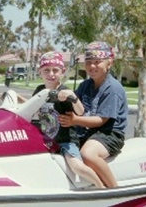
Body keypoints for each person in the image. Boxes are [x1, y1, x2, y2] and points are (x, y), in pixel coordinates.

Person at [28, 51, 105, 188]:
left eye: (55, 70)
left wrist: (72, 97)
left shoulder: (64, 91)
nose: (51, 74)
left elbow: (80, 112)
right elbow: (31, 106)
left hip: (65, 141)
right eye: (46, 70)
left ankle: (101, 187)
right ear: (40, 72)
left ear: (62, 72)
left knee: (77, 167)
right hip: (46, 140)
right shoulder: (40, 90)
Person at [57, 41, 128, 188]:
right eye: (89, 62)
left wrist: (75, 120)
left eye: (97, 62)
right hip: (88, 132)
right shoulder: (85, 85)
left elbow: (101, 120)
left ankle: (114, 189)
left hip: (109, 134)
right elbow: (75, 106)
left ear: (109, 63)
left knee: (88, 154)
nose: (92, 66)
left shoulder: (112, 88)